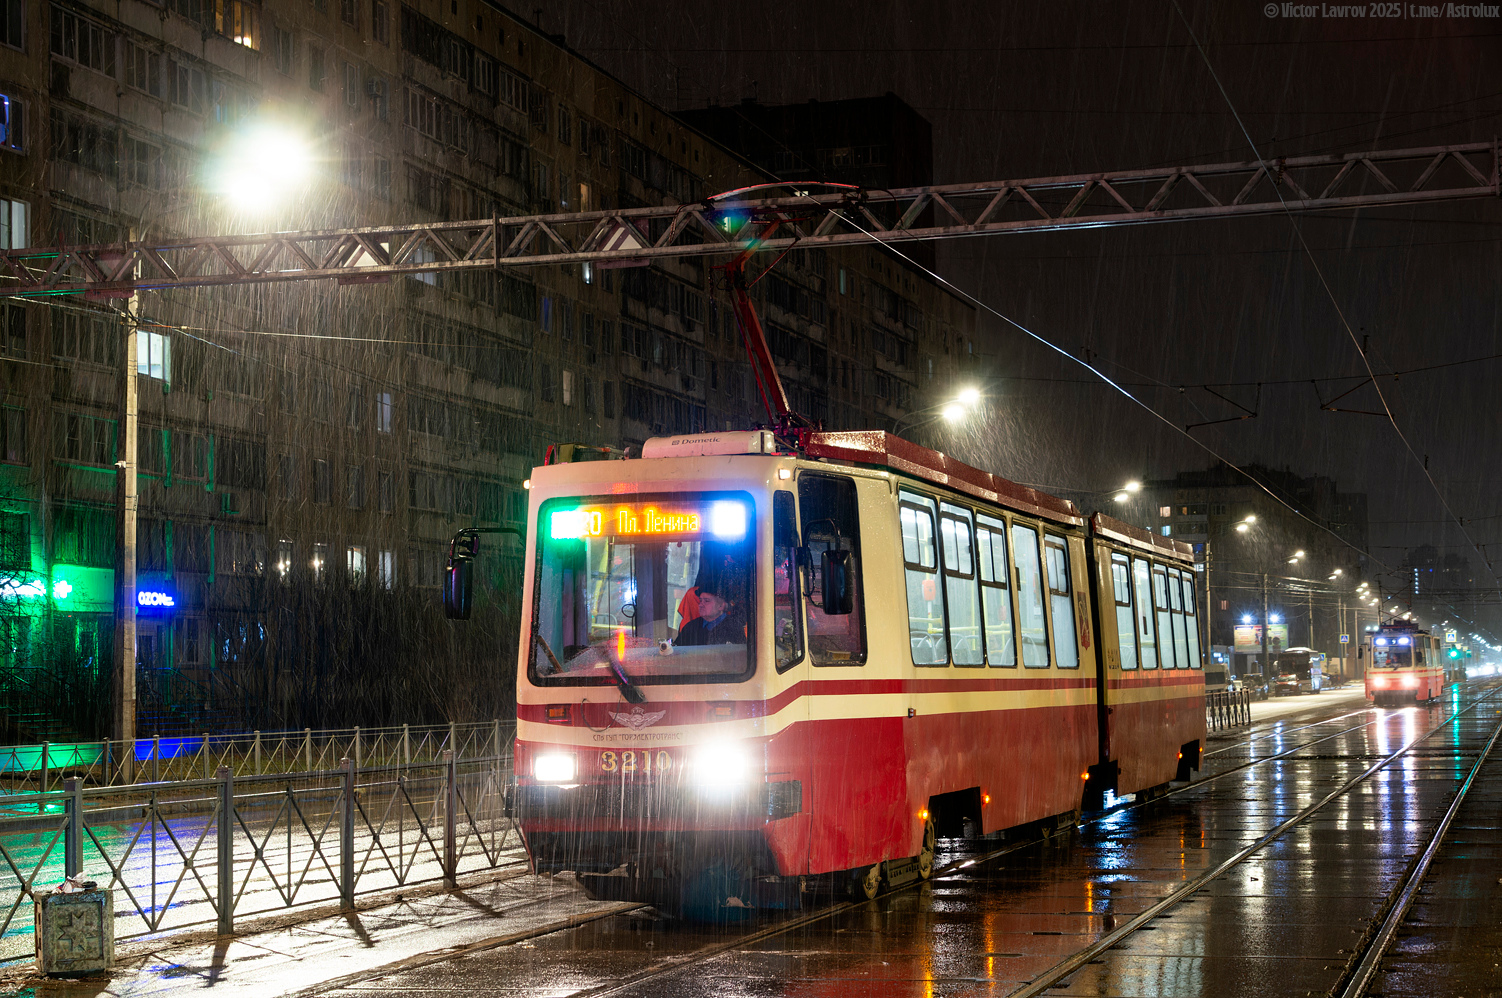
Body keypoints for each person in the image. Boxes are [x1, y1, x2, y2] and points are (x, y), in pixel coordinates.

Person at [674, 582, 742, 646]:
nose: (700, 605)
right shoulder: (690, 627)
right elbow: (676, 652)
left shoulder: (734, 628)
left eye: (707, 601)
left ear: (721, 606)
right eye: (700, 600)